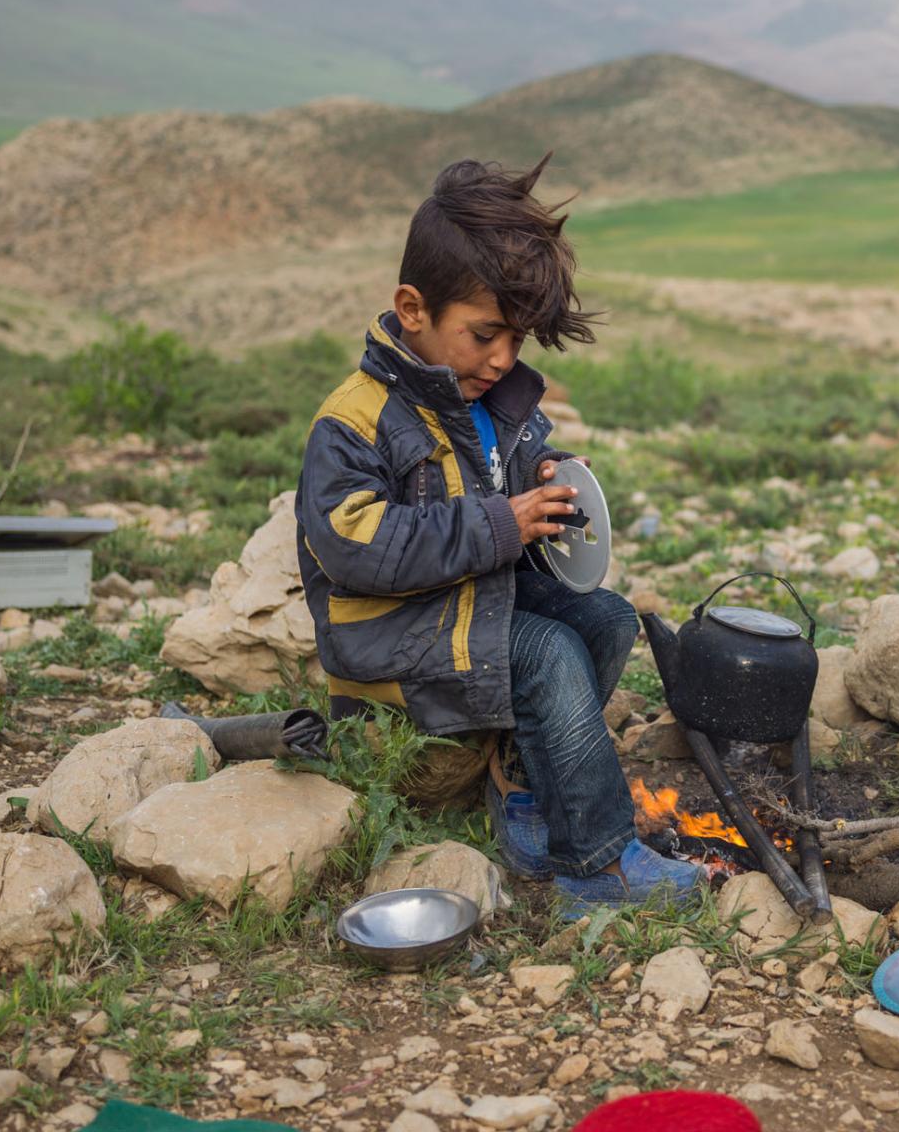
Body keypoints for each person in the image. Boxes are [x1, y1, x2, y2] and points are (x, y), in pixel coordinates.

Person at [294, 156, 702, 915]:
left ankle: (523, 794)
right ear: (412, 308)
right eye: (484, 334)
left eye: (516, 339)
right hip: (386, 635)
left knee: (608, 619)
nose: (503, 358)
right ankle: (596, 868)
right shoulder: (352, 419)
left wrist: (544, 485)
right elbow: (354, 546)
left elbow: (496, 491)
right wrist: (499, 521)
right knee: (547, 654)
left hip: (462, 603)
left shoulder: (489, 397)